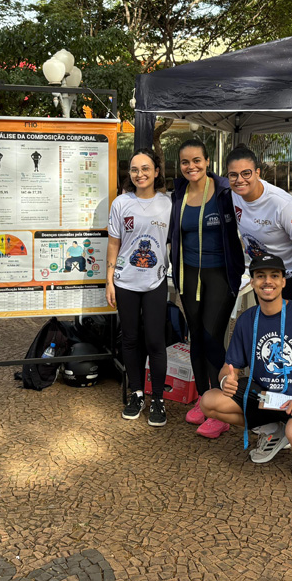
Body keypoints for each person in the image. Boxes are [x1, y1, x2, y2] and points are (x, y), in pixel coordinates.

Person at [200, 254, 292, 481]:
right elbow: (230, 367)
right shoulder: (247, 319)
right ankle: (273, 429)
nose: (268, 281)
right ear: (252, 282)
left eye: (274, 276)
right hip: (267, 397)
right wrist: (227, 379)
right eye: (260, 276)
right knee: (209, 402)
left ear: (284, 281)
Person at [167, 139, 243, 438]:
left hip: (220, 275)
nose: (191, 166)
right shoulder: (179, 194)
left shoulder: (225, 192)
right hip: (188, 274)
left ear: (207, 161)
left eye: (196, 160)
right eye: (185, 162)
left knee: (212, 337)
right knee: (196, 336)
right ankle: (203, 397)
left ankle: (221, 406)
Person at [106, 148, 171, 425]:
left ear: (156, 172)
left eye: (145, 168)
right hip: (125, 281)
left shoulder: (168, 204)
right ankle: (136, 393)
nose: (140, 174)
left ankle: (158, 398)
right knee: (130, 340)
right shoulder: (121, 203)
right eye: (134, 169)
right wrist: (109, 280)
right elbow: (114, 244)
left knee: (155, 340)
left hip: (155, 281)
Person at [225, 146, 292, 317]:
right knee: (268, 327)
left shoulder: (284, 205)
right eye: (233, 175)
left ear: (257, 173)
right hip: (262, 275)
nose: (240, 180)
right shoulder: (234, 195)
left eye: (246, 173)